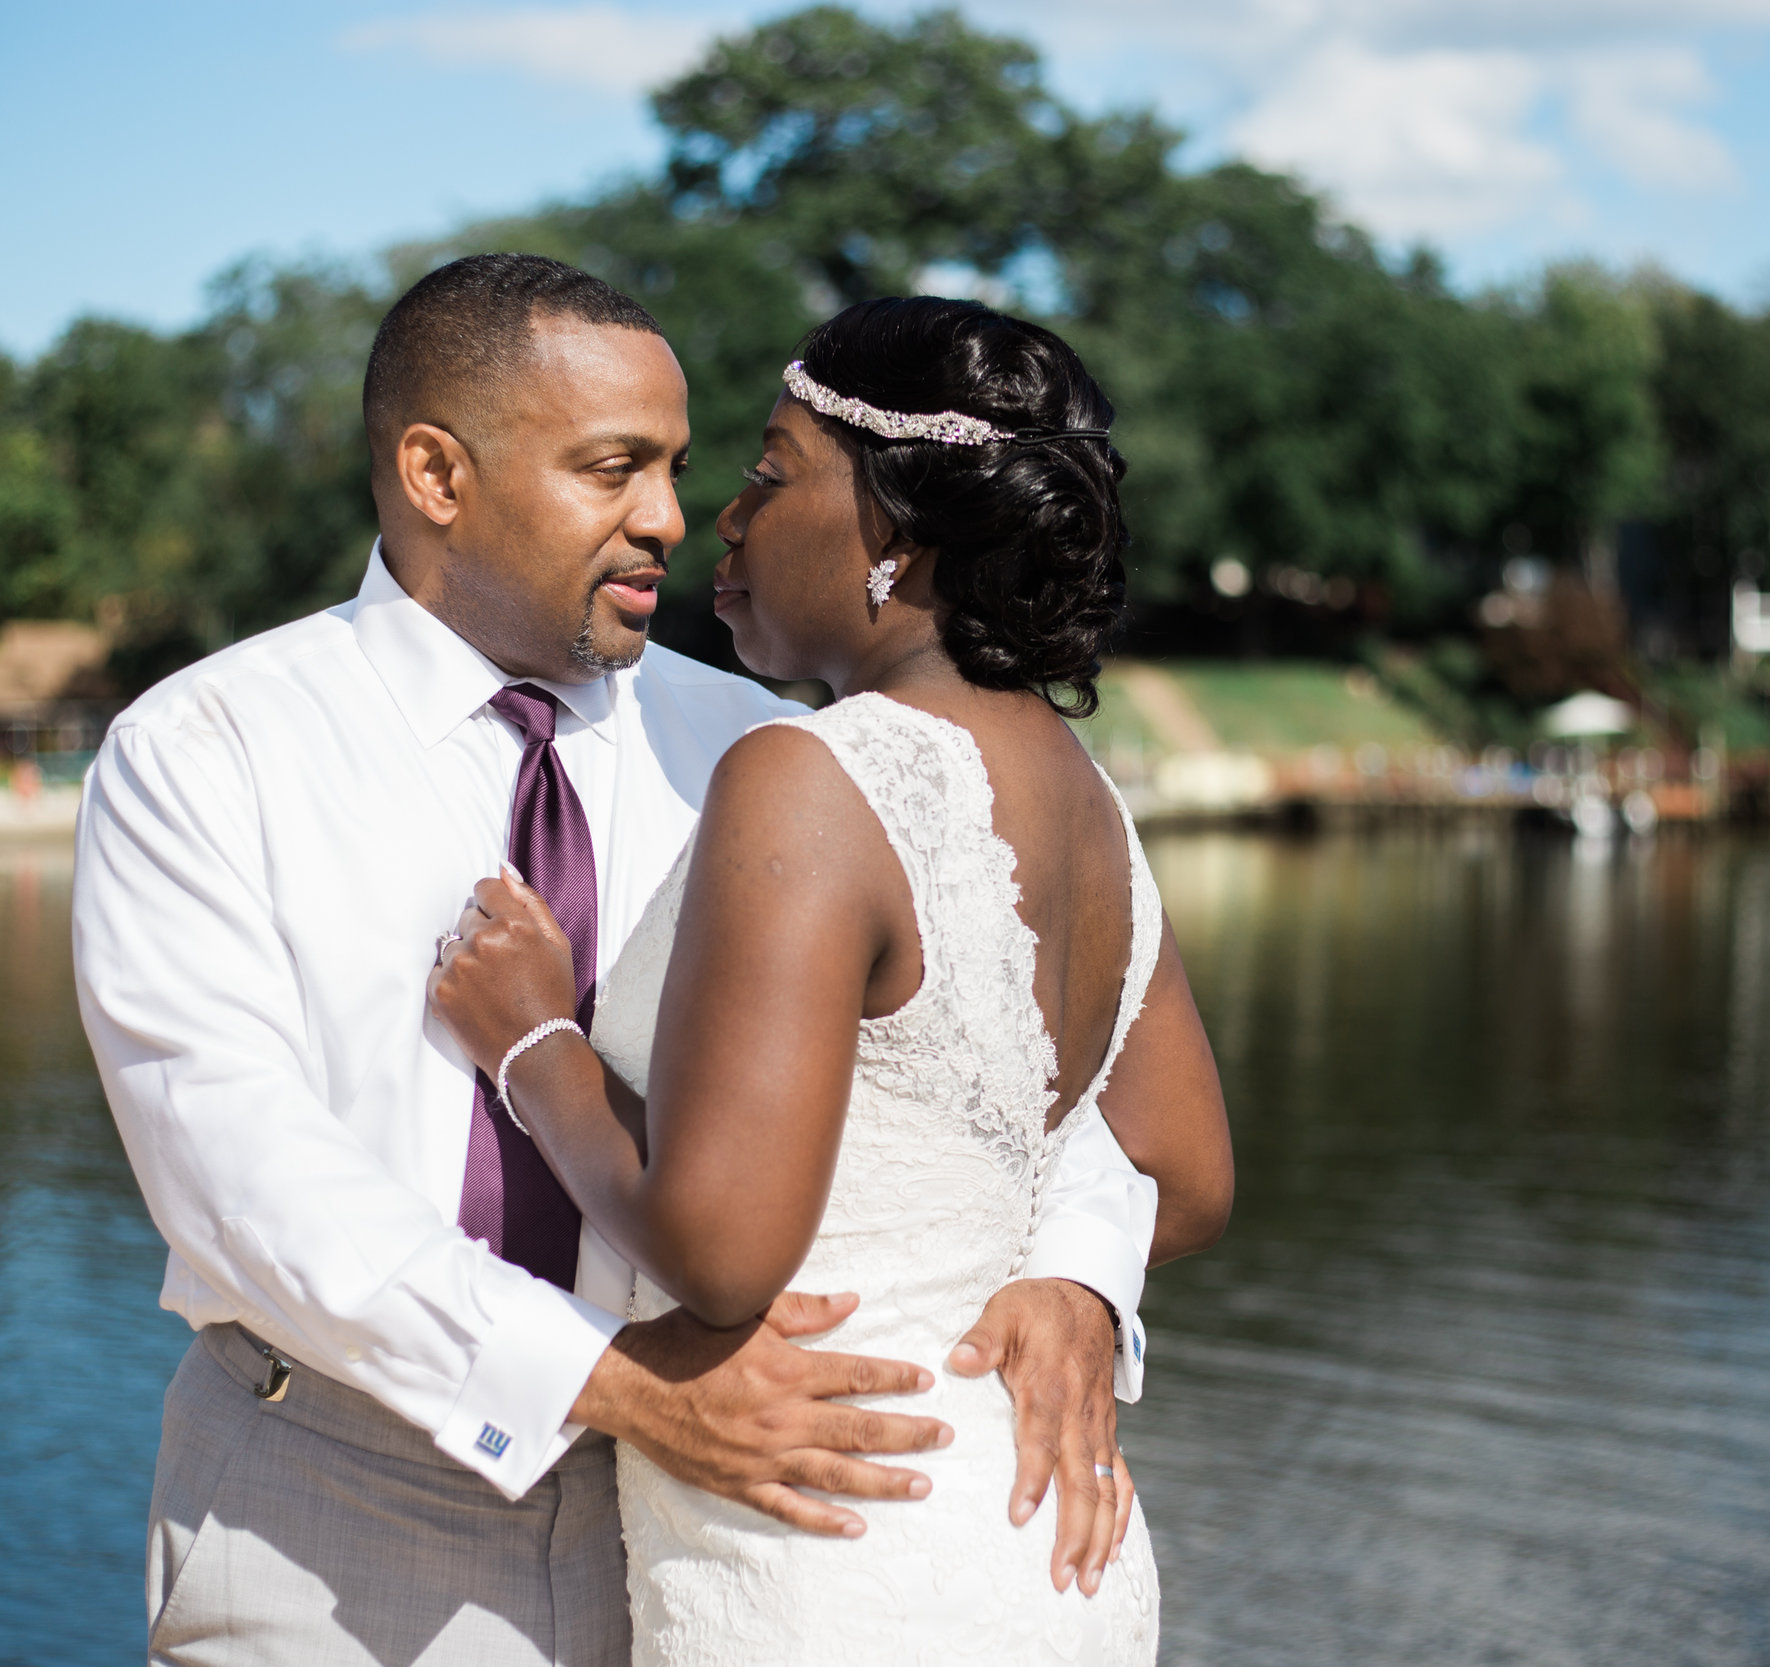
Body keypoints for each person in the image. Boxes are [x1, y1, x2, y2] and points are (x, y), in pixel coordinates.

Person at [74, 256, 1182, 1666]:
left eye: (677, 465)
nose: (668, 517)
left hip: (739, 1524)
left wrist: (1082, 1277)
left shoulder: (781, 752)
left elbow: (1008, 1063)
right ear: (436, 474)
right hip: (345, 1502)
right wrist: (607, 1383)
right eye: (612, 469)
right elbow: (235, 1175)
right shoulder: (208, 751)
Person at [429, 297, 1237, 1665]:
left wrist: (536, 1047)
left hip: (837, 1553)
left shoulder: (811, 776)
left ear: (898, 537)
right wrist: (1074, 1282)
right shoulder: (1086, 801)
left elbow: (720, 1251)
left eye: (771, 468)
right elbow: (1191, 1172)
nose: (721, 520)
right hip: (1039, 1539)